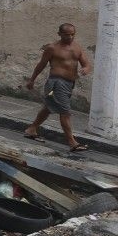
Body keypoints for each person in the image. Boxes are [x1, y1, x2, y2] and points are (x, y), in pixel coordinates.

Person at [23, 22, 93, 152]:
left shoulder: (77, 47)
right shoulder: (52, 48)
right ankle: (72, 142)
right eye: (66, 35)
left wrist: (85, 69)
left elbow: (87, 65)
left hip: (68, 85)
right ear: (59, 34)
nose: (70, 37)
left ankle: (31, 129)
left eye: (72, 34)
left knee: (48, 107)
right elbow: (41, 64)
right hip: (56, 84)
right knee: (65, 112)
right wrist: (32, 80)